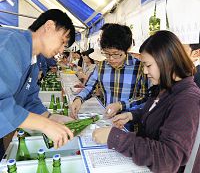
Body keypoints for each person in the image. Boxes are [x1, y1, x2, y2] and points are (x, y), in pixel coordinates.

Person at [92, 30, 200, 173]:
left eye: (148, 66)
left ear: (167, 62)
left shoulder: (187, 100)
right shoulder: (165, 88)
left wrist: (115, 137)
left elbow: (168, 158)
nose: (144, 71)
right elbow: (157, 113)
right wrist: (132, 115)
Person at [0, 9, 75, 150]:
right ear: (49, 26)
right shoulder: (10, 44)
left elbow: (29, 100)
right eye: (62, 42)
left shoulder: (33, 61)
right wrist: (45, 125)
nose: (61, 50)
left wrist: (52, 117)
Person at [70, 24, 148, 119]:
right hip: (107, 118)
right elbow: (89, 86)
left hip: (129, 123)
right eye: (107, 54)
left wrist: (120, 105)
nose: (111, 59)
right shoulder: (102, 66)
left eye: (116, 54)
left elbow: (144, 97)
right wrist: (79, 98)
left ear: (127, 49)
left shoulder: (140, 67)